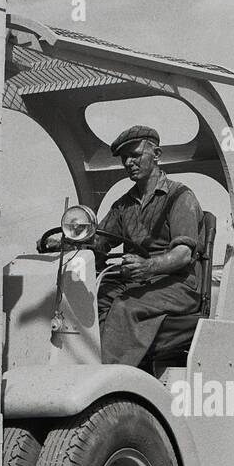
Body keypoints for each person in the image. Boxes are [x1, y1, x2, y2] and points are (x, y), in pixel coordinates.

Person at [90, 125, 204, 367]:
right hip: (139, 282)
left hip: (179, 285)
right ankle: (94, 363)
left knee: (125, 306)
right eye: (124, 158)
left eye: (136, 155)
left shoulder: (180, 196)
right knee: (91, 300)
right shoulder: (124, 205)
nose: (129, 162)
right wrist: (68, 241)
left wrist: (149, 266)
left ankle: (110, 379)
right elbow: (99, 242)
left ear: (157, 155)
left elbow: (183, 255)